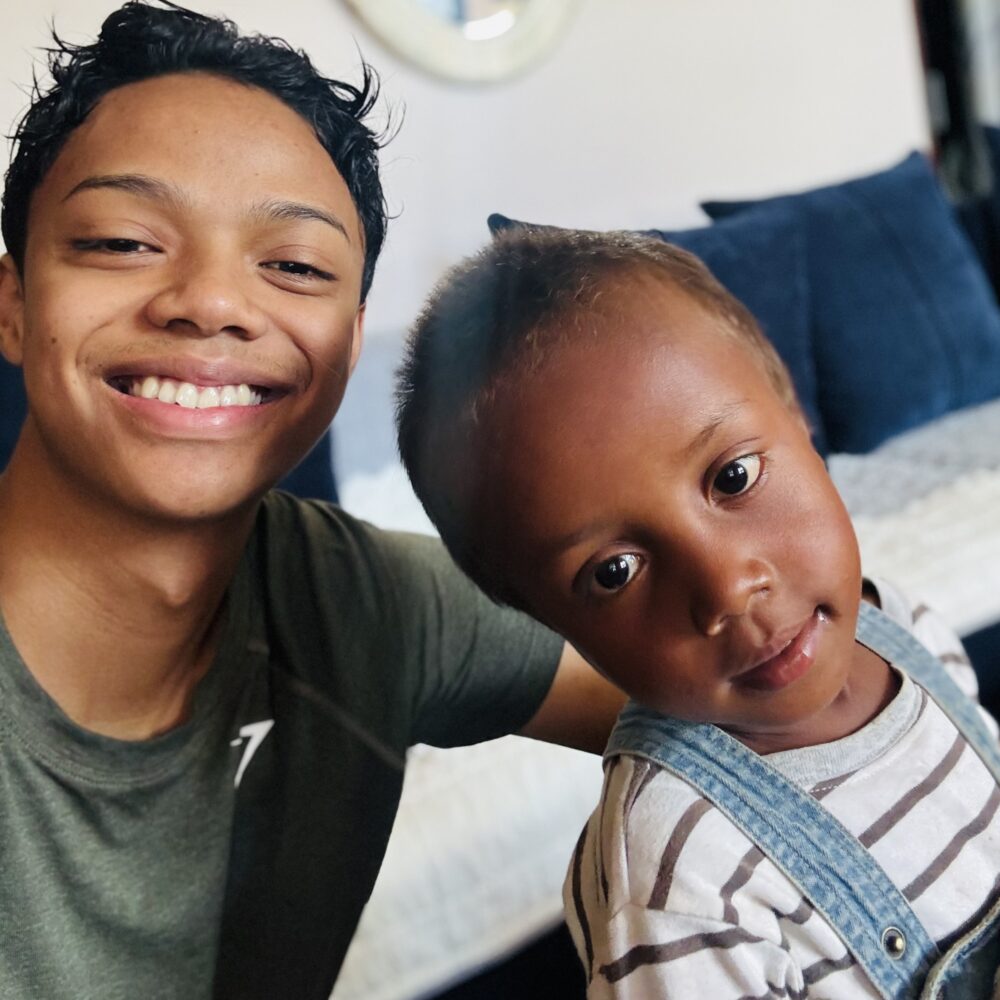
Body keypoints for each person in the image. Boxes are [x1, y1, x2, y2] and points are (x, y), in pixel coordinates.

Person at [0, 5, 626, 998]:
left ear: (349, 339)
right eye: (122, 241)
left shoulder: (373, 603)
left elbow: (744, 695)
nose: (212, 302)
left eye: (293, 265)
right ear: (14, 303)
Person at [395, 226, 1000, 998]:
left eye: (734, 477)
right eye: (614, 572)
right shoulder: (678, 878)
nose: (726, 588)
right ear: (544, 619)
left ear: (793, 409)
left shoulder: (906, 628)